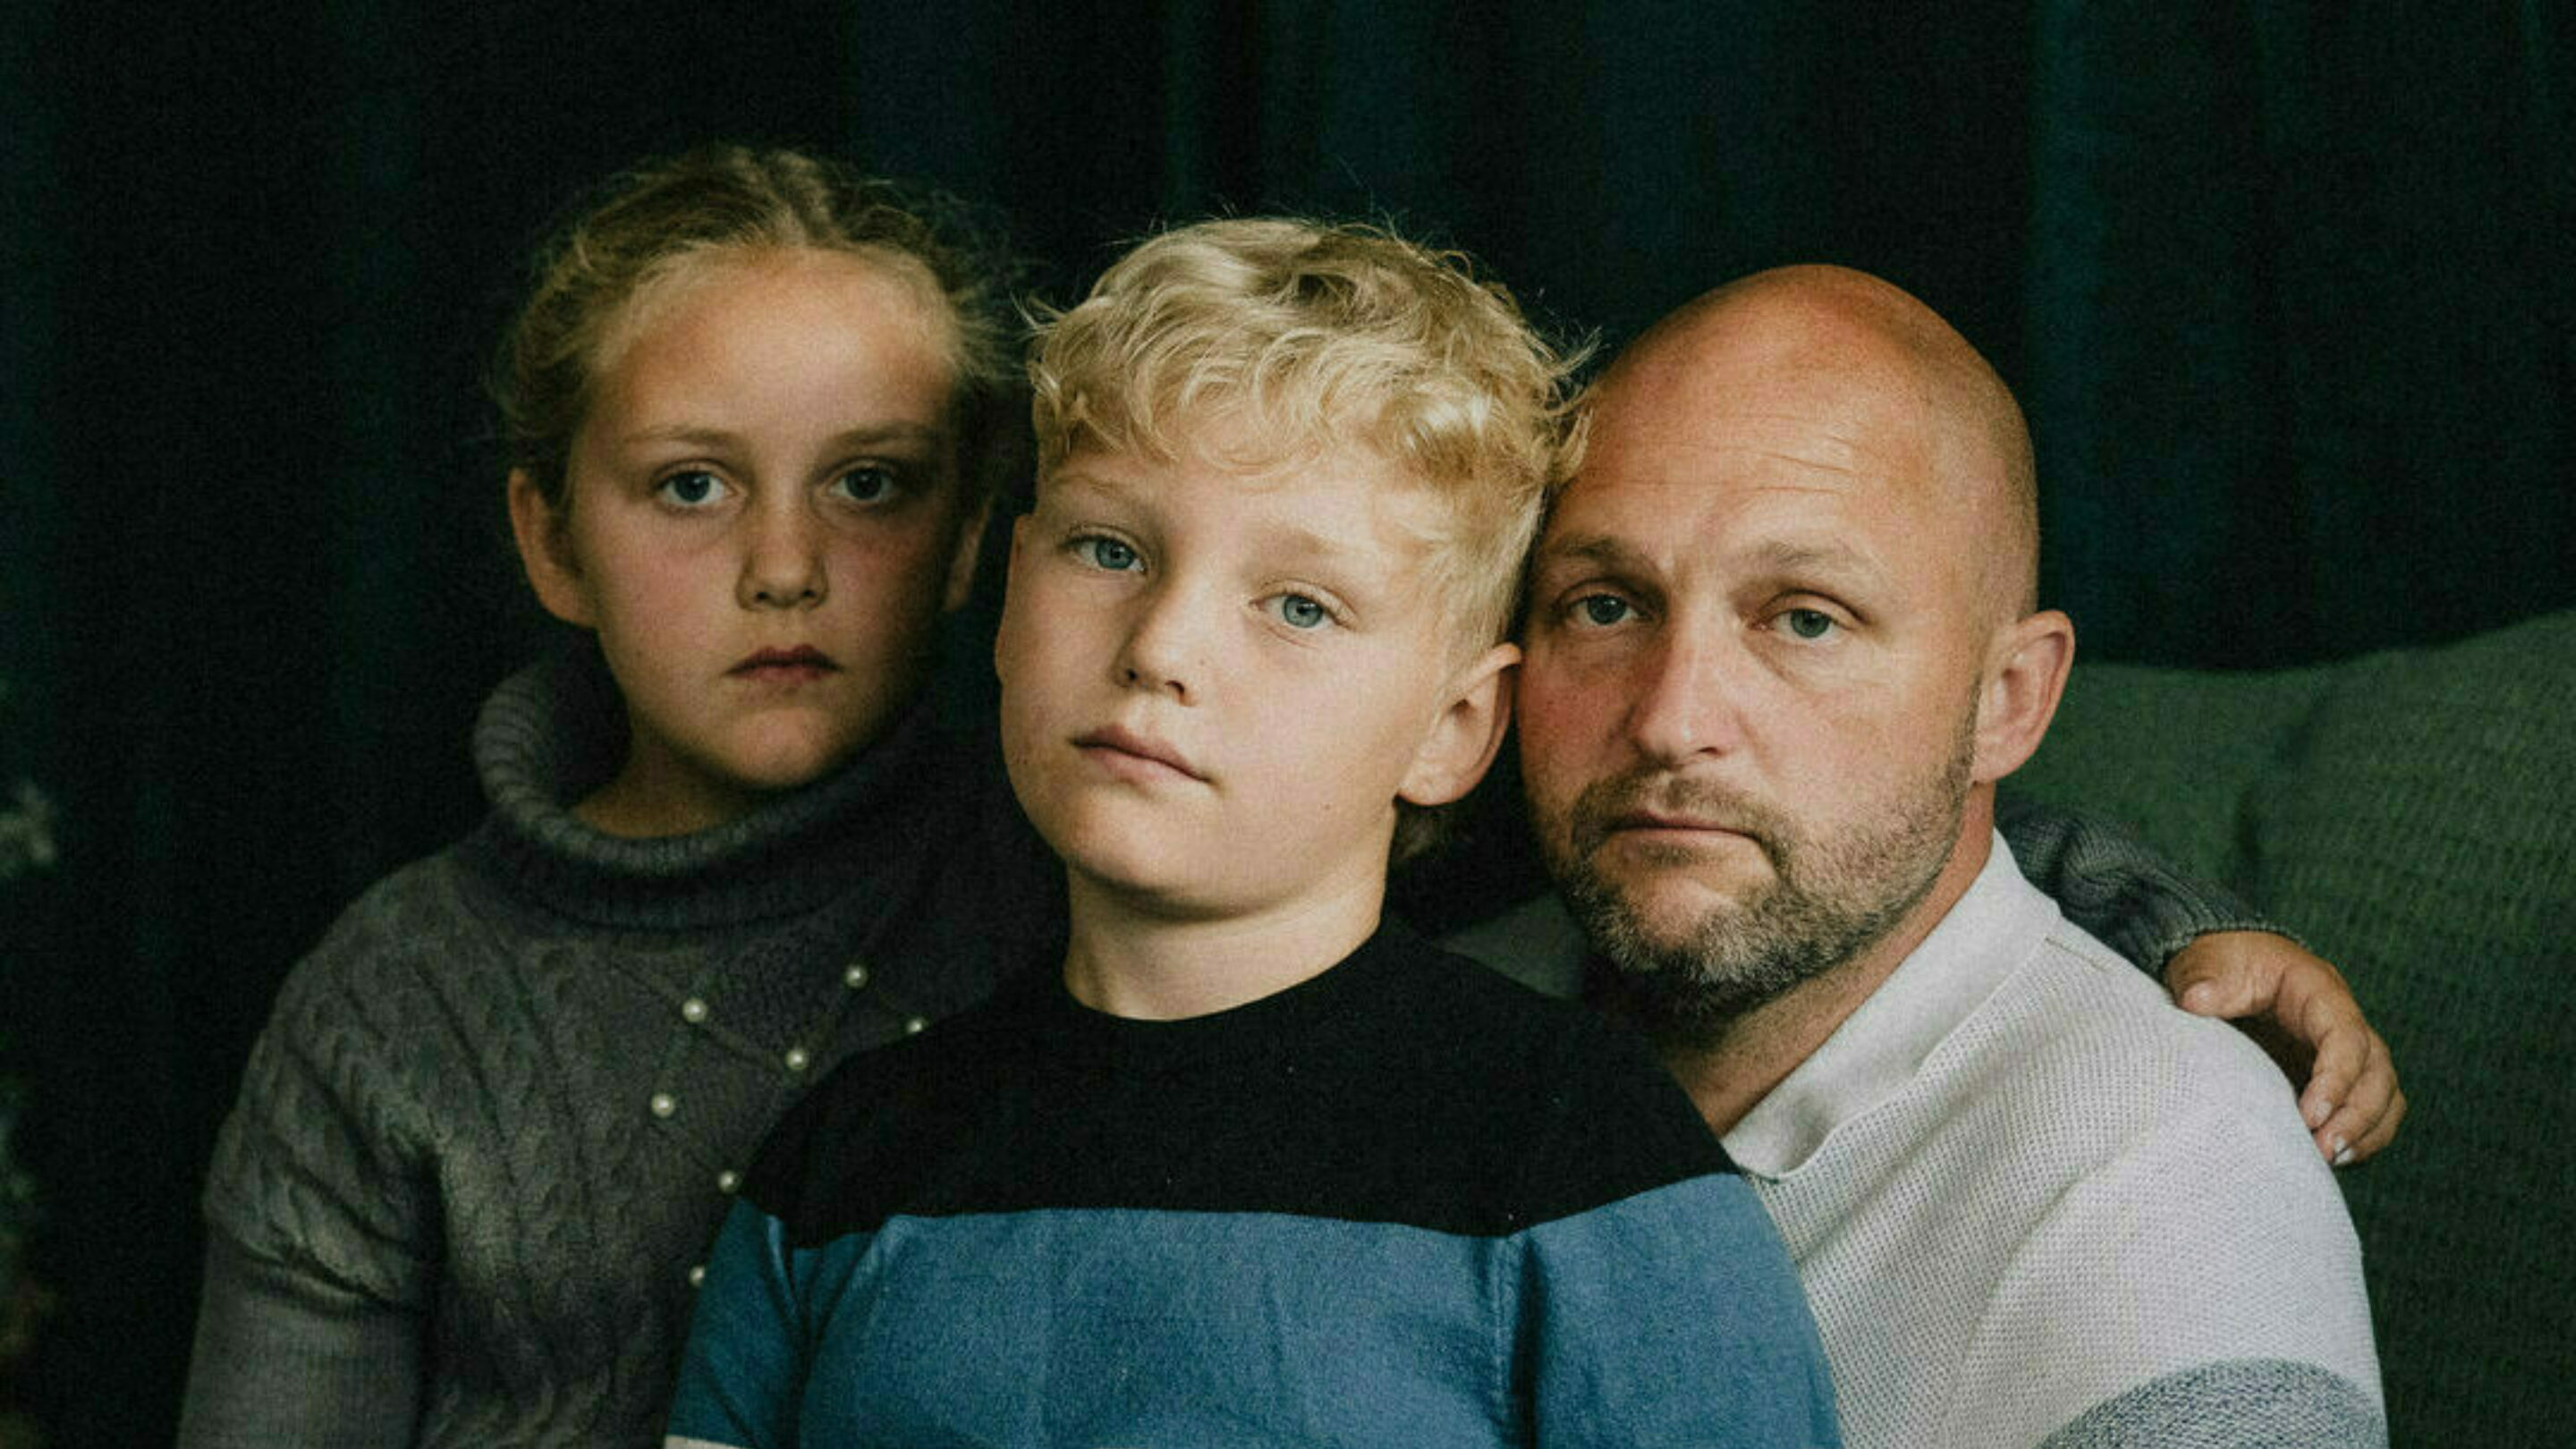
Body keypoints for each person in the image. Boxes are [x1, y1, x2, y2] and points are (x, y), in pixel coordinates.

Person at [663, 218, 1842, 1447]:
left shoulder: (1578, 1149)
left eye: (1298, 604)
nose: (1161, 647)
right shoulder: (846, 1163)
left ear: (1451, 727)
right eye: (1110, 549)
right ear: (1013, 595)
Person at [176, 147, 1060, 1448]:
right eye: (690, 485)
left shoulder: (1075, 893)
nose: (784, 567)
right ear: (552, 540)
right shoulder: (395, 998)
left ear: (969, 538)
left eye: (869, 482)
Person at [1501, 264, 2384, 1445]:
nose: (1668, 717)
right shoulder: (1431, 1010)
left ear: (2010, 701)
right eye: (1606, 604)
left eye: (1804, 617)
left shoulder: (2155, 1187)